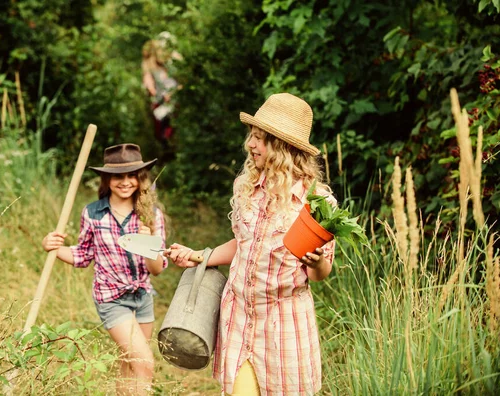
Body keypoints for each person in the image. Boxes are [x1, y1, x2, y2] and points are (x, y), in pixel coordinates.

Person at [167, 93, 336, 395]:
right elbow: (241, 245)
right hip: (240, 317)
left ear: (283, 147)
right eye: (252, 136)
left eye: (260, 139)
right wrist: (197, 256)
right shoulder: (247, 188)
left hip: (283, 324)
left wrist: (317, 262)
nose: (250, 145)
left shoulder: (316, 202)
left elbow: (320, 273)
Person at [42, 143, 167, 395]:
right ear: (107, 179)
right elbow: (83, 255)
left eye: (131, 175)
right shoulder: (93, 213)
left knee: (129, 364)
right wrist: (52, 248)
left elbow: (157, 270)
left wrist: (149, 244)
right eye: (117, 176)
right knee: (144, 364)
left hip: (142, 297)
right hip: (111, 298)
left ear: (140, 178)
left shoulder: (150, 215)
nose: (125, 182)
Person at [141, 38, 181, 150]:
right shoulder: (150, 66)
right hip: (161, 101)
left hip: (172, 100)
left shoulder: (170, 62)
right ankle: (168, 149)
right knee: (163, 126)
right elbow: (149, 83)